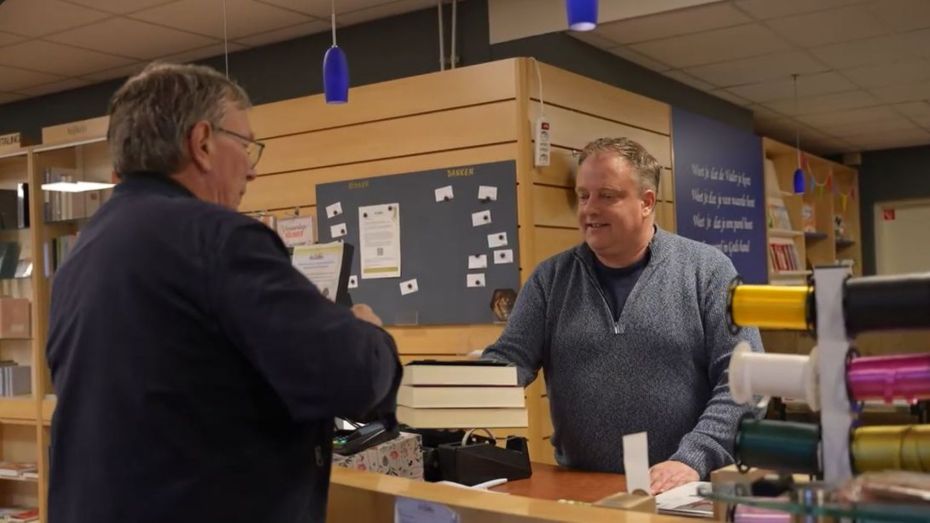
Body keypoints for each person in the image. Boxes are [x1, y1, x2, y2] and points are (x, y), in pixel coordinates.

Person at [46, 62, 401, 523]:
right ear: (202, 143)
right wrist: (372, 337)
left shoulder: (82, 252)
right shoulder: (218, 239)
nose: (252, 173)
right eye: (246, 145)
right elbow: (348, 377)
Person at [482, 137, 763, 494]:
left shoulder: (708, 271)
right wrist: (441, 394)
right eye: (583, 196)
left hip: (681, 490)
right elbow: (509, 360)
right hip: (582, 489)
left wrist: (694, 456)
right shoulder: (550, 280)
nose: (589, 209)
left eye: (607, 196)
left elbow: (746, 380)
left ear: (646, 202)